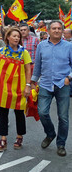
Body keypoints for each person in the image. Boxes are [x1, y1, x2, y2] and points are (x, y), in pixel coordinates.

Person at [31, 20, 72, 157]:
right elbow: (37, 66)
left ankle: (61, 144)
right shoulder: (42, 46)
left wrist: (69, 78)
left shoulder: (69, 46)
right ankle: (50, 134)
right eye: (54, 28)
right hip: (45, 84)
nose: (56, 30)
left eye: (59, 28)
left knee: (63, 117)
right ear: (48, 30)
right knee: (42, 112)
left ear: (62, 31)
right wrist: (32, 81)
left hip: (62, 84)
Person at [0, 27, 32, 152]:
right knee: (3, 114)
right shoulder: (0, 51)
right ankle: (3, 138)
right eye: (14, 36)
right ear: (8, 37)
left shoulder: (24, 52)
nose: (16, 38)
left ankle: (19, 136)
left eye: (18, 36)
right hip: (3, 88)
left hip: (19, 89)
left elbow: (28, 70)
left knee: (19, 114)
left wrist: (28, 85)